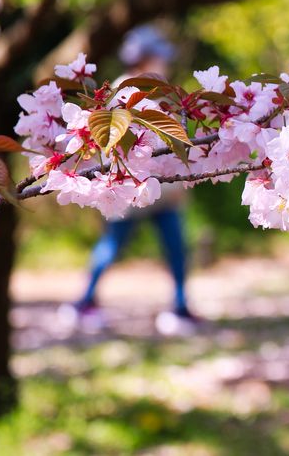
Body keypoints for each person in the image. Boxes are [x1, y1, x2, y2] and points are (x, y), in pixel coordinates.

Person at [61, 26, 198, 335]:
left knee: (176, 248)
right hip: (132, 186)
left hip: (164, 188)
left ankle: (180, 306)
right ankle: (84, 302)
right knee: (112, 246)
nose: (163, 63)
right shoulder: (126, 89)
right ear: (143, 59)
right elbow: (120, 139)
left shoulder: (162, 88)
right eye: (157, 57)